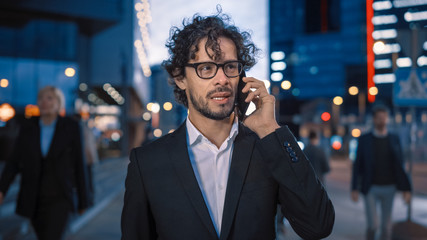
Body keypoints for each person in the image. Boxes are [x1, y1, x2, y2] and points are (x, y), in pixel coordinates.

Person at [121, 10, 335, 240]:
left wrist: (269, 129)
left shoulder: (267, 148)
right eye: (206, 68)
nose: (222, 79)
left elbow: (318, 226)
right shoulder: (147, 163)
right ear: (180, 77)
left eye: (230, 67)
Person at [0, 86, 90, 240]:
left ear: (58, 103)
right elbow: (14, 162)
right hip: (34, 196)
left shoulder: (71, 127)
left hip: (60, 196)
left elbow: (79, 164)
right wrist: (2, 189)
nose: (44, 102)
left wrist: (83, 200)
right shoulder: (28, 128)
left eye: (50, 98)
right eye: (41, 98)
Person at [351, 105, 412, 240]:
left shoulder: (394, 139)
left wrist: (406, 189)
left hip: (390, 187)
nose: (382, 121)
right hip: (371, 187)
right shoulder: (364, 139)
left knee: (386, 227)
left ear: (388, 119)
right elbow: (357, 165)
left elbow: (400, 165)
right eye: (379, 118)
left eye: (384, 118)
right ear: (373, 119)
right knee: (373, 225)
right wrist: (354, 188)